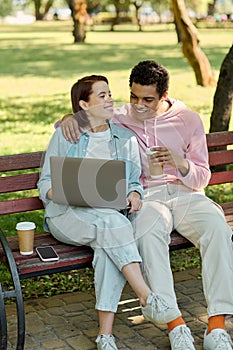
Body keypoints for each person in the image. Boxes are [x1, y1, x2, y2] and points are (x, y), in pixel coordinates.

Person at [60, 62, 233, 350]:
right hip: (148, 196)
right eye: (133, 97)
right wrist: (70, 117)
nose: (138, 106)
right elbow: (81, 119)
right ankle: (175, 324)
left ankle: (216, 326)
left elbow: (203, 175)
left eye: (147, 100)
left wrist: (179, 163)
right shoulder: (121, 116)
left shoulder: (188, 119)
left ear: (165, 95)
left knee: (216, 227)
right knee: (148, 233)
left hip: (187, 193)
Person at [37, 74, 180, 350]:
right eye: (102, 96)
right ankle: (147, 297)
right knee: (114, 225)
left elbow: (134, 181)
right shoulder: (67, 134)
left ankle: (105, 335)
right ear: (83, 105)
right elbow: (46, 185)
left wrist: (135, 195)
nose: (110, 99)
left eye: (110, 93)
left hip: (109, 220)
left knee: (109, 240)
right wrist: (73, 193)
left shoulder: (124, 138)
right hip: (66, 215)